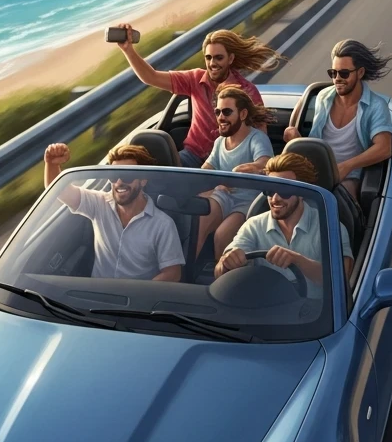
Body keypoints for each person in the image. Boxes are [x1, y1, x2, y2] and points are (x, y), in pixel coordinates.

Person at [113, 23, 284, 167]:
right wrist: (128, 50)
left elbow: (261, 137)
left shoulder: (248, 92)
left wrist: (255, 164)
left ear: (230, 59)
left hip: (229, 161)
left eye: (218, 58)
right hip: (192, 157)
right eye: (208, 57)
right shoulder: (194, 79)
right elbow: (151, 77)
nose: (212, 63)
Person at [43, 142, 184, 282]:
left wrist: (138, 295)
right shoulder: (99, 203)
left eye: (127, 175)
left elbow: (172, 274)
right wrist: (52, 164)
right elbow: (59, 191)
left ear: (143, 180)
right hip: (96, 297)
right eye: (114, 175)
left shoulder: (163, 225)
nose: (119, 182)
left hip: (136, 300)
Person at [215, 152, 353, 295]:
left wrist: (298, 260)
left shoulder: (330, 228)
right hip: (265, 311)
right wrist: (226, 264)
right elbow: (220, 273)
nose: (275, 198)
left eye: (284, 190)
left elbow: (342, 278)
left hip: (316, 314)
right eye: (270, 190)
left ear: (303, 191)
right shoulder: (253, 226)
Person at [284, 39, 392, 197]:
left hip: (348, 178)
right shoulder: (322, 97)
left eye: (344, 73)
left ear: (360, 73)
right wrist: (295, 138)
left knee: (338, 200)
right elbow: (303, 121)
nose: (337, 78)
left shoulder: (376, 106)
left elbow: (384, 148)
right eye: (333, 73)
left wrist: (346, 167)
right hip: (312, 172)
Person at [196, 84, 274, 259]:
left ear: (243, 114)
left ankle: (220, 279)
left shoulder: (257, 138)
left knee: (222, 236)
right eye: (218, 112)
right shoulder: (218, 143)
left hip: (248, 202)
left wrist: (240, 171)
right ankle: (185, 276)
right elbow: (206, 171)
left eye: (227, 112)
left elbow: (265, 162)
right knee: (198, 224)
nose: (221, 117)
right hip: (223, 197)